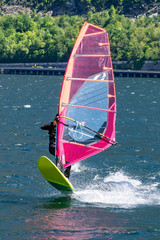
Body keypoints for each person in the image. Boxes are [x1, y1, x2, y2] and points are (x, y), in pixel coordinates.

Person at [41, 114, 71, 179]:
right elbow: (42, 127)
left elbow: (74, 128)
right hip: (53, 147)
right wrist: (53, 124)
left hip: (62, 148)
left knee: (68, 161)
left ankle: (66, 177)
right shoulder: (51, 125)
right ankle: (58, 171)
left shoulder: (65, 127)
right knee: (58, 155)